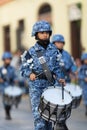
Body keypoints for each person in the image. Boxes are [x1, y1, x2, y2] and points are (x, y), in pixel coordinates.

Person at [20, 20, 65, 130]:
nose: (45, 34)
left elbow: (58, 67)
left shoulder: (54, 50)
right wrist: (29, 73)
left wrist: (60, 78)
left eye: (47, 32)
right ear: (36, 34)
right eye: (42, 32)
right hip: (36, 87)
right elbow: (23, 69)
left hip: (50, 86)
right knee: (39, 118)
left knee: (49, 118)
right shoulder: (31, 52)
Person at [51, 34, 77, 130]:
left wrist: (74, 70)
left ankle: (61, 123)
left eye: (62, 42)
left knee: (65, 105)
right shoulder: (51, 54)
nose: (60, 44)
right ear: (53, 43)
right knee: (56, 106)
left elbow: (72, 65)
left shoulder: (67, 55)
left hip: (66, 84)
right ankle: (58, 123)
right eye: (58, 42)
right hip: (54, 85)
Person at [0, 52, 17, 120]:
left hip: (10, 86)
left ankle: (8, 111)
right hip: (3, 87)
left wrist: (15, 80)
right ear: (4, 59)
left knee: (10, 101)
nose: (8, 60)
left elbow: (15, 76)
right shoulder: (1, 68)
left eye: (9, 59)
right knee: (5, 101)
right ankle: (7, 114)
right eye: (7, 59)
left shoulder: (12, 68)